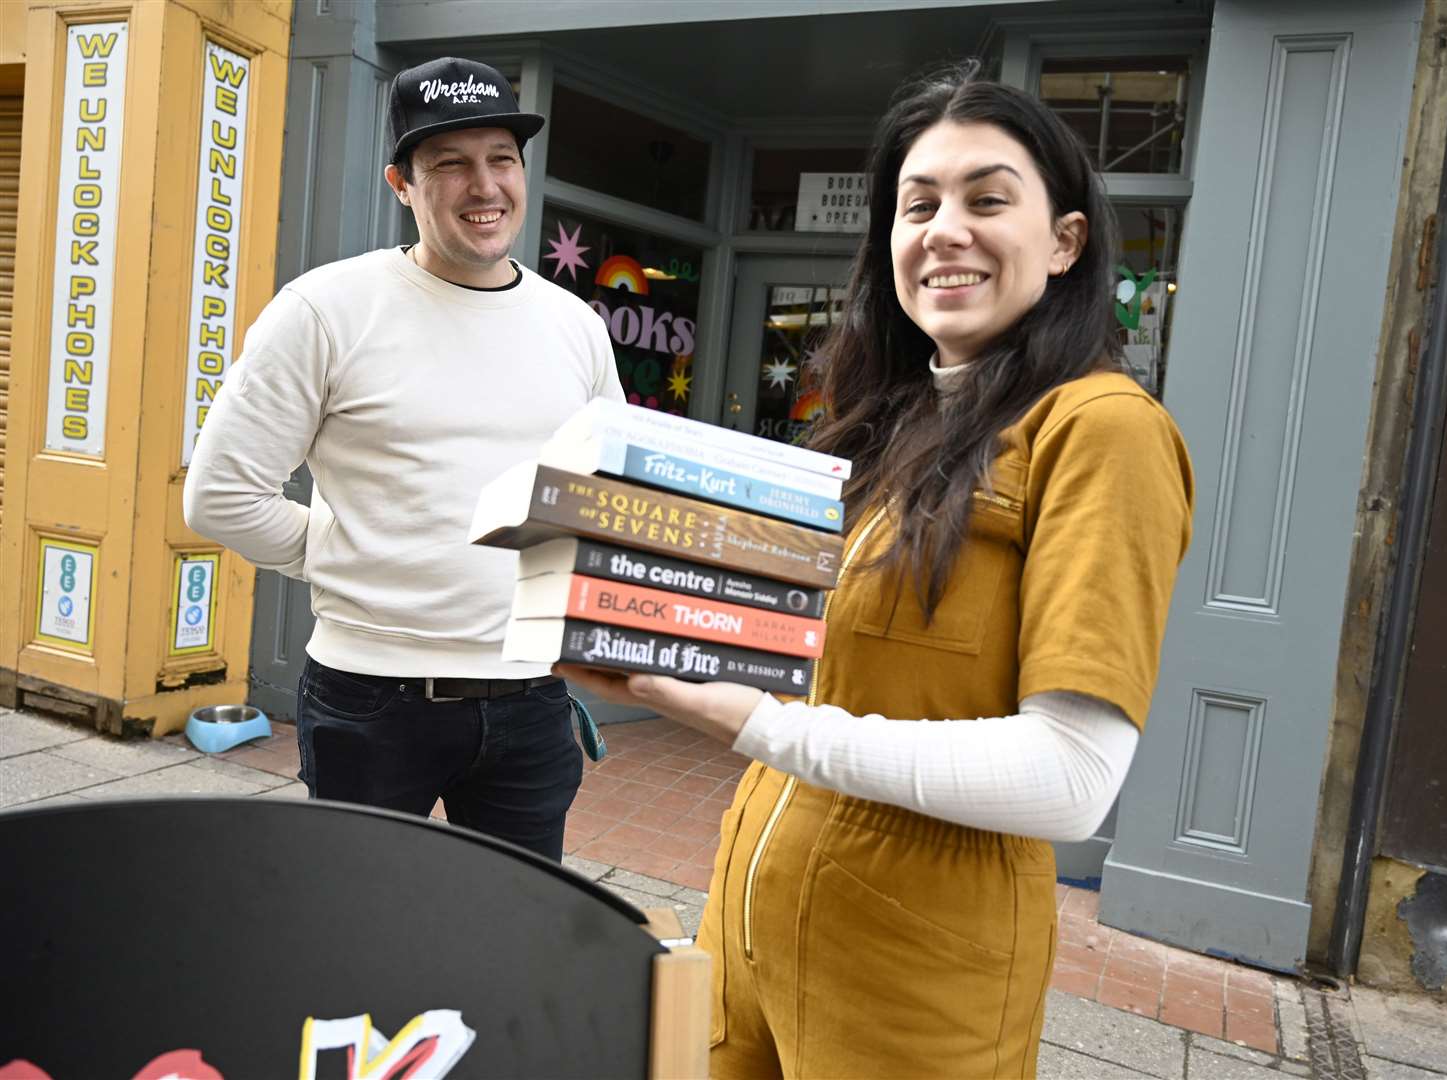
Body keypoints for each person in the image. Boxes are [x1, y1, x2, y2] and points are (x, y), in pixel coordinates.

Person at [559, 61, 1194, 1077]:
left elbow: (1072, 781)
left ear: (1066, 241)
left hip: (918, 973)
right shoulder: (894, 425)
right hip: (753, 929)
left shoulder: (1103, 430)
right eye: (918, 205)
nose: (946, 229)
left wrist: (747, 720)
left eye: (988, 198)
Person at [186, 57, 624, 862]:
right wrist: (351, 555)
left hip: (531, 699)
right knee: (360, 940)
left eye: (500, 158)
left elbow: (602, 495)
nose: (482, 185)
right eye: (449, 163)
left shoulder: (574, 324)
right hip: (370, 699)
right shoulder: (324, 310)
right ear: (401, 183)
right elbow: (221, 495)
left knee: (514, 933)